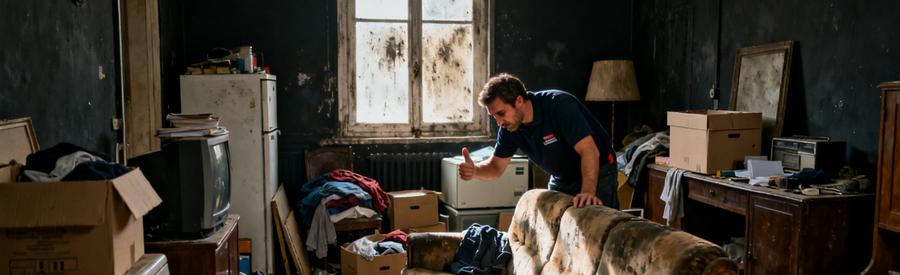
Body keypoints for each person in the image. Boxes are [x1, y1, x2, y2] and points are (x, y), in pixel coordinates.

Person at [459, 73, 618, 209]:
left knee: (597, 229)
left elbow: (589, 151)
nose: (499, 122)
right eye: (494, 117)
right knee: (555, 227)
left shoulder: (559, 105)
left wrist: (588, 193)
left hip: (598, 170)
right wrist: (475, 171)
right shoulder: (509, 127)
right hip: (562, 177)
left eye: (501, 113)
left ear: (519, 101)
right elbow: (496, 167)